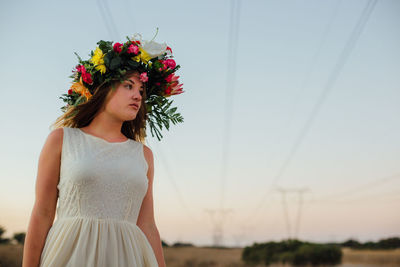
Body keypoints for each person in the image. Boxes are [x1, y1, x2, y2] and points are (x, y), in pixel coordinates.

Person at [22, 30, 184, 267]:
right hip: (69, 257)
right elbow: (42, 214)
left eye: (141, 91)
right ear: (103, 89)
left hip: (128, 258)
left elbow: (147, 224)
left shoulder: (144, 155)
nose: (137, 96)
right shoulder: (62, 140)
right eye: (128, 86)